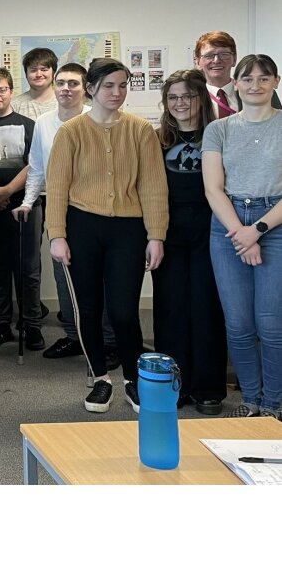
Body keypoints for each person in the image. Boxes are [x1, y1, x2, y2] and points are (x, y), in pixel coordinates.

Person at [47, 57, 168, 414]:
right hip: (82, 226)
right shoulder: (70, 132)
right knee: (88, 309)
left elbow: (153, 187)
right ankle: (100, 379)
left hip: (128, 230)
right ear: (91, 89)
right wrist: (57, 234)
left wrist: (155, 235)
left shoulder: (141, 130)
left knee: (124, 310)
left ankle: (133, 379)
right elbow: (57, 187)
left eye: (122, 86)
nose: (117, 93)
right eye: (109, 86)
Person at [15, 64, 118, 363]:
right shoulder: (44, 123)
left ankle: (108, 341)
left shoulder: (96, 118)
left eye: (73, 83)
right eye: (61, 83)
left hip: (94, 209)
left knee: (98, 277)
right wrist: (27, 201)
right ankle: (74, 335)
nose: (65, 89)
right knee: (64, 275)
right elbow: (36, 167)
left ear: (85, 88)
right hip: (58, 207)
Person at [203, 54, 282, 419]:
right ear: (236, 84)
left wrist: (258, 231)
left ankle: (273, 403)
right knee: (238, 323)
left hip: (274, 224)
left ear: (276, 83)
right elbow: (213, 189)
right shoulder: (219, 129)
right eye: (247, 79)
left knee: (271, 323)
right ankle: (251, 399)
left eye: (264, 79)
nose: (255, 85)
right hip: (228, 224)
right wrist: (241, 233)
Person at [153, 69, 225, 414]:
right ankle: (174, 385)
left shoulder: (220, 133)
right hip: (168, 230)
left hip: (211, 229)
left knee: (207, 307)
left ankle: (208, 388)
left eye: (187, 96)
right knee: (170, 308)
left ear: (201, 98)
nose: (180, 103)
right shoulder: (156, 139)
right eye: (173, 97)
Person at [0, 67, 42, 351]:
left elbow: (35, 163)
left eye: (1, 89)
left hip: (25, 204)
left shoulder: (29, 124)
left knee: (28, 268)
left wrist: (7, 191)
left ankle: (32, 325)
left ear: (11, 91)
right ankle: (1, 324)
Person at [194, 31, 282, 116]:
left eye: (224, 54)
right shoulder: (191, 97)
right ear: (198, 62)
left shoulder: (261, 92)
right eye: (208, 56)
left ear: (234, 59)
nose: (216, 60)